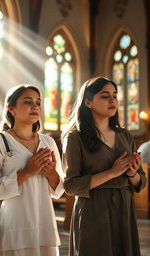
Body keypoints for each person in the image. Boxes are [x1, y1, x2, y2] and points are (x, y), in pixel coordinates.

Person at [62, 77, 147, 256]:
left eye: (115, 96)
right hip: (93, 211)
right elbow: (71, 186)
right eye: (104, 96)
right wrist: (111, 173)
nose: (112, 100)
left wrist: (132, 174)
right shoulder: (75, 139)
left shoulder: (125, 135)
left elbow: (141, 181)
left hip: (124, 208)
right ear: (88, 102)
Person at [0, 84, 65, 256]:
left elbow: (59, 190)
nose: (35, 106)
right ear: (11, 109)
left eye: (38, 102)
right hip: (12, 228)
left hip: (44, 226)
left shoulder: (48, 143)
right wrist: (26, 173)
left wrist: (51, 174)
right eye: (28, 102)